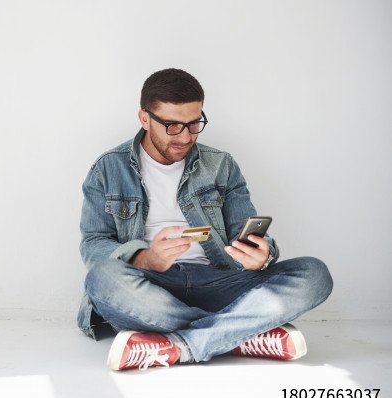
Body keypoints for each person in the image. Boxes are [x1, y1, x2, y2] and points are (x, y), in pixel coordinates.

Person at [77, 68, 333, 371]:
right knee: (102, 279)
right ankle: (238, 332)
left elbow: (243, 230)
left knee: (314, 274)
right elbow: (93, 245)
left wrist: (260, 256)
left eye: (194, 124)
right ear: (144, 118)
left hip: (220, 281)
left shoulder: (221, 165)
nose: (186, 137)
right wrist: (146, 259)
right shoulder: (108, 168)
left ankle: (183, 345)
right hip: (152, 286)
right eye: (172, 126)